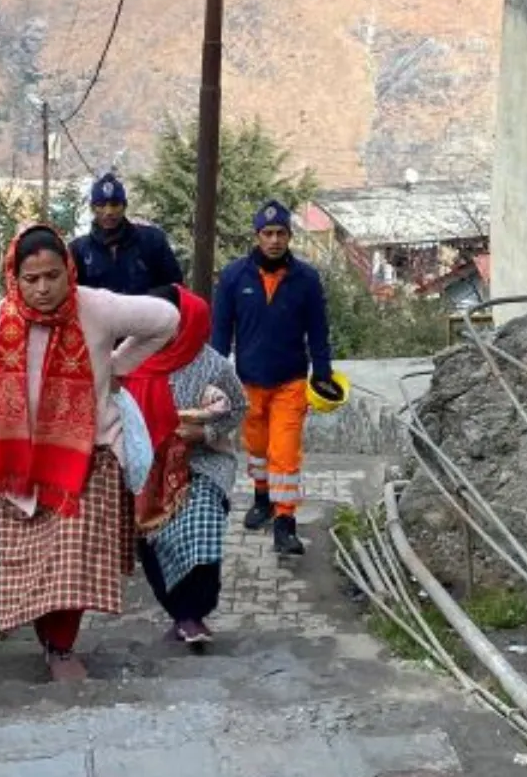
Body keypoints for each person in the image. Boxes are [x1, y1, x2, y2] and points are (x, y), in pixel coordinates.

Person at [0, 225, 178, 681]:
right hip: (22, 464)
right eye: (31, 278)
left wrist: (114, 368)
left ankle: (62, 648)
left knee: (71, 561)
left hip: (89, 458)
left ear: (68, 271)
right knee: (38, 565)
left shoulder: (97, 307)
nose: (43, 288)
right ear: (14, 277)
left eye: (52, 275)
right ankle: (53, 645)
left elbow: (165, 321)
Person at [210, 199, 337, 557]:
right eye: (268, 233)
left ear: (290, 237)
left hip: (290, 382)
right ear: (257, 236)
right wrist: (216, 375)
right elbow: (220, 331)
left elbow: (318, 331)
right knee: (257, 448)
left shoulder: (307, 279)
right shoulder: (234, 277)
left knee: (284, 453)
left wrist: (323, 374)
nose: (275, 240)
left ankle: (285, 524)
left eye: (281, 233)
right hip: (248, 382)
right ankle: (261, 499)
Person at [124, 284, 247, 647]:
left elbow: (238, 408)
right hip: (146, 472)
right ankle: (182, 615)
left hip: (202, 466)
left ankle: (194, 613)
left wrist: (205, 432)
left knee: (201, 528)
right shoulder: (127, 359)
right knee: (156, 539)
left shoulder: (212, 364)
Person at [70, 172, 184, 297]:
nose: (108, 212)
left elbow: (175, 288)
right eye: (101, 205)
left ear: (124, 206)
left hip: (146, 315)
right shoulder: (78, 250)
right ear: (92, 208)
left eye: (115, 204)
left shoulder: (152, 240)